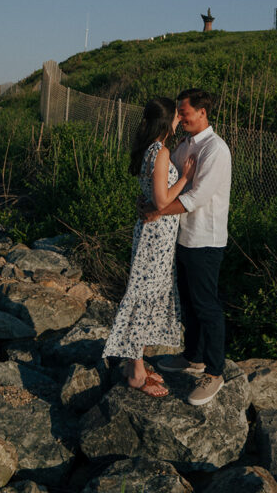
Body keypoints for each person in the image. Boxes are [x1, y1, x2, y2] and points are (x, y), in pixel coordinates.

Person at [138, 88, 231, 407]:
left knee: (207, 305)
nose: (180, 117)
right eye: (177, 112)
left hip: (205, 238)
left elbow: (195, 198)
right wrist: (151, 201)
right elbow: (166, 184)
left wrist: (157, 209)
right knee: (189, 302)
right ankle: (194, 356)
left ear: (202, 113)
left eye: (184, 112)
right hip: (182, 236)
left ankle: (215, 372)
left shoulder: (216, 150)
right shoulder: (184, 144)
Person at [102, 96, 196, 396]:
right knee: (143, 297)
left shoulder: (150, 148)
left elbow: (150, 197)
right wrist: (185, 178)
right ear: (166, 122)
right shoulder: (161, 152)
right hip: (156, 237)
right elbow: (161, 201)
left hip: (155, 234)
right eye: (176, 118)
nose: (179, 121)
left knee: (146, 295)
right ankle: (136, 371)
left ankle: (134, 363)